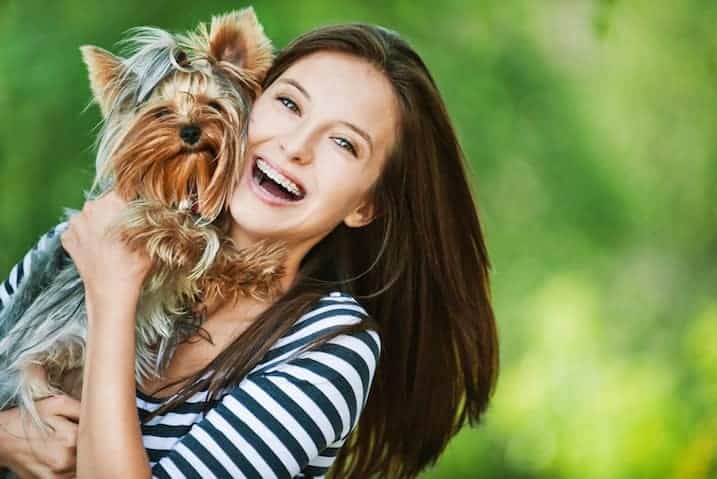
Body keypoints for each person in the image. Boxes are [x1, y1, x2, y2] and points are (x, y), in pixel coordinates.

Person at [0, 23, 498, 478]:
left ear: (366, 206)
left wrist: (113, 294)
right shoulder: (87, 242)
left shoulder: (328, 349)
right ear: (246, 97)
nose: (297, 146)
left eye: (344, 144)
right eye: (289, 104)